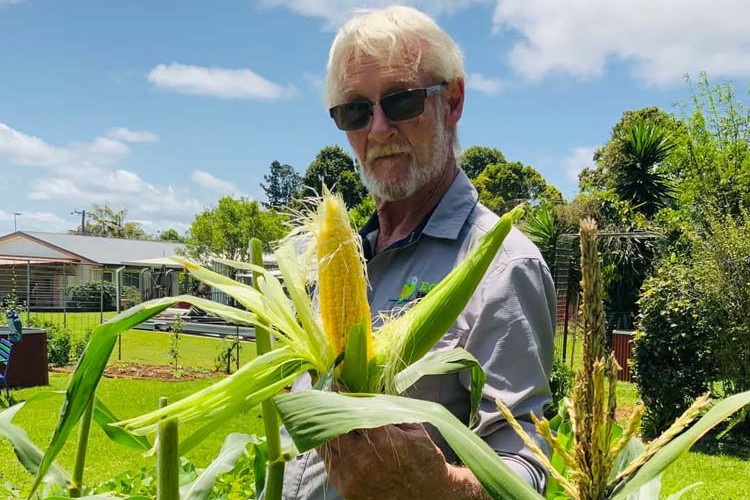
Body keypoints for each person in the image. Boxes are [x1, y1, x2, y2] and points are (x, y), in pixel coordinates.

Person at [279, 6, 556, 499]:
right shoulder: (332, 261)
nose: (379, 129)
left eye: (401, 101)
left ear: (451, 102)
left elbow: (526, 468)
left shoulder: (504, 267)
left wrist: (437, 487)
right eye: (355, 111)